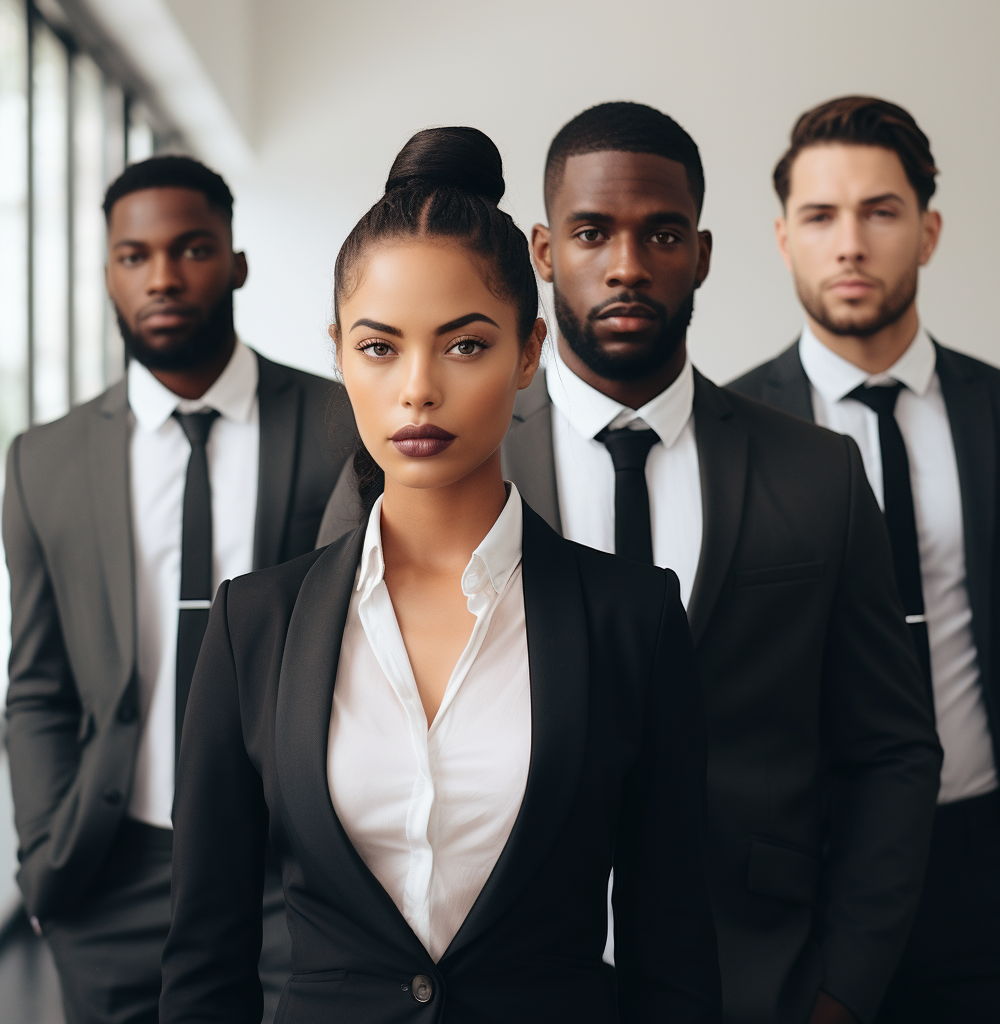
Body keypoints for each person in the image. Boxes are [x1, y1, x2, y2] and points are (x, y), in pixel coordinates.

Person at [318, 102, 943, 1024]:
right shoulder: (418, 460)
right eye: (589, 232)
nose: (625, 264)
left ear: (703, 253)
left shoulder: (816, 473)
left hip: (754, 975)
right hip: (490, 977)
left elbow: (890, 748)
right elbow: (314, 739)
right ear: (540, 251)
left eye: (661, 233)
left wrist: (841, 989)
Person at [159, 126, 722, 1024]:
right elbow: (204, 962)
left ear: (528, 351)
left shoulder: (635, 618)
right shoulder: (253, 624)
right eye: (380, 348)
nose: (417, 389)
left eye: (463, 345)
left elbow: (675, 950)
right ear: (338, 352)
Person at [3, 155, 355, 1024]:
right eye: (135, 255)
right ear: (110, 273)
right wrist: (45, 853)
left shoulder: (342, 423)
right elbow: (39, 684)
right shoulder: (44, 460)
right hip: (114, 872)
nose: (162, 276)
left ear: (236, 262)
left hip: (292, 867)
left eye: (192, 248)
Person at [730, 95, 1000, 1023]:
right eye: (821, 217)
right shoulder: (729, 435)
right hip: (803, 871)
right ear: (784, 239)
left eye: (880, 212)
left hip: (988, 853)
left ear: (928, 232)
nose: (849, 243)